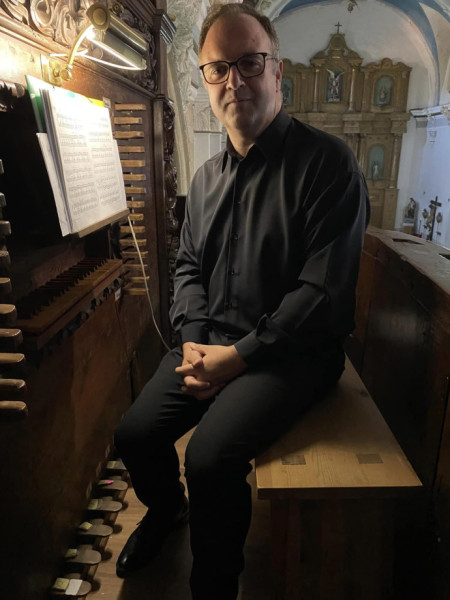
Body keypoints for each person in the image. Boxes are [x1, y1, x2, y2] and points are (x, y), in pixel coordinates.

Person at [114, 3, 369, 599]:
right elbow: (188, 267)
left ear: (278, 71)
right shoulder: (205, 178)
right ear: (205, 81)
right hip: (211, 343)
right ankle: (167, 511)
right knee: (134, 435)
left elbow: (321, 292)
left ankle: (215, 584)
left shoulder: (328, 163)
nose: (234, 80)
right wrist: (193, 342)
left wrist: (240, 357)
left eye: (249, 62)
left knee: (208, 459)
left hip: (293, 355)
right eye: (218, 68)